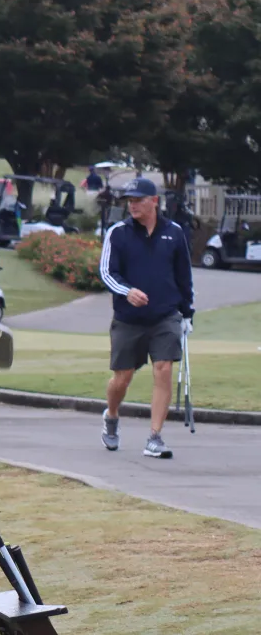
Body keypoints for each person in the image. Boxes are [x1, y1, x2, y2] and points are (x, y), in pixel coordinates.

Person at [98, 178, 195, 459]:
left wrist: (188, 314)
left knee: (163, 368)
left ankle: (155, 437)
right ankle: (112, 415)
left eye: (138, 200)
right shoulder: (118, 233)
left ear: (154, 201)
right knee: (122, 378)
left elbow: (184, 277)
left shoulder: (174, 233)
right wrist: (127, 291)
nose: (133, 205)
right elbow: (107, 273)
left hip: (166, 316)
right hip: (129, 319)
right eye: (130, 200)